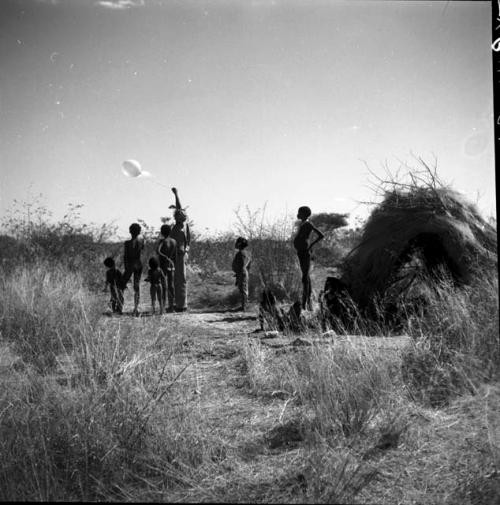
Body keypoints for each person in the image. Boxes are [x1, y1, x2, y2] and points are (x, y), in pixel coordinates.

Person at [293, 206, 324, 310]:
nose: (298, 214)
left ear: (305, 214)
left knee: (305, 278)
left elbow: (321, 235)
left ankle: (304, 303)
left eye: (299, 212)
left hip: (305, 252)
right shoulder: (301, 224)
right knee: (306, 277)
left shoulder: (308, 224)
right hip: (301, 252)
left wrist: (310, 245)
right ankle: (308, 302)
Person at [169, 187, 191, 312]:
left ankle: (182, 305)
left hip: (181, 254)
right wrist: (176, 194)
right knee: (176, 280)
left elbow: (188, 241)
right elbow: (179, 207)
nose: (177, 216)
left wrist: (186, 250)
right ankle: (178, 304)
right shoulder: (177, 227)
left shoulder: (183, 227)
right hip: (176, 255)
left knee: (180, 279)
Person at [122, 222, 144, 316]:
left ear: (130, 231)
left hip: (130, 265)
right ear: (139, 232)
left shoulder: (127, 243)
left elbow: (125, 256)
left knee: (121, 284)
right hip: (138, 264)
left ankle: (119, 306)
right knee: (136, 286)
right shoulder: (140, 241)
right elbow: (142, 246)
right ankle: (136, 308)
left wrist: (126, 267)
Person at [157, 224, 177, 312]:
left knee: (163, 286)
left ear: (162, 232)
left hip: (163, 265)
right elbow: (175, 256)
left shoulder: (162, 241)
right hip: (172, 265)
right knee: (171, 285)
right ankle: (171, 306)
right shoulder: (174, 241)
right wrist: (173, 263)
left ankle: (163, 306)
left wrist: (165, 258)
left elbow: (158, 251)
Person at [231, 236, 252, 311]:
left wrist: (239, 273)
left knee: (243, 290)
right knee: (242, 289)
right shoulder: (244, 253)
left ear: (240, 244)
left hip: (242, 273)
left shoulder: (242, 253)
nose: (235, 244)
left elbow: (242, 265)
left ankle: (244, 307)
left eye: (237, 242)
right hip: (242, 273)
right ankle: (243, 306)